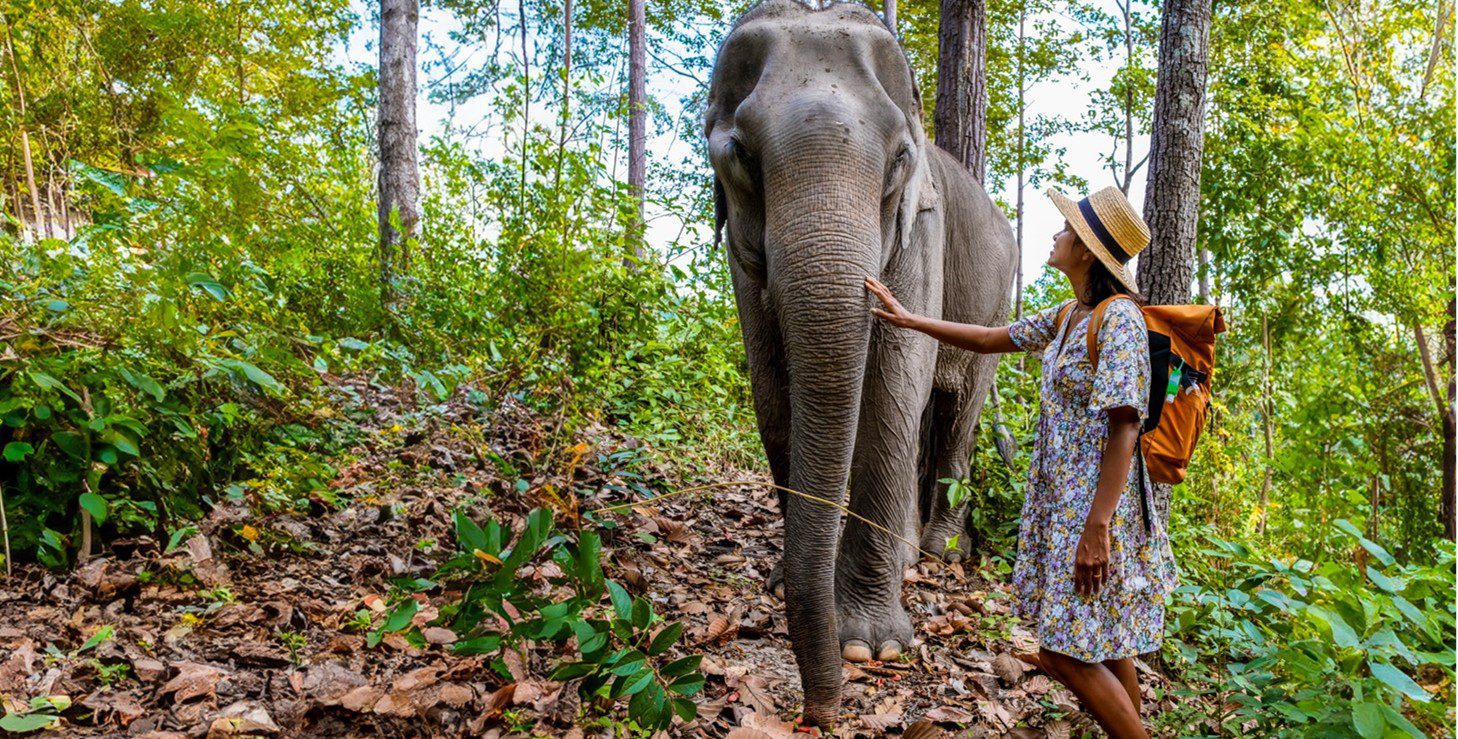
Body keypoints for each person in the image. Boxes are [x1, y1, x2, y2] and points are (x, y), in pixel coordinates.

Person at [864, 186, 1177, 739]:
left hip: (1095, 509)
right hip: (1064, 503)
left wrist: (1098, 527)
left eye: (1066, 229)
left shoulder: (1119, 320)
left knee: (1063, 653)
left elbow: (1126, 423)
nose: (1056, 235)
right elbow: (989, 338)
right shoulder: (1070, 315)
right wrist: (912, 321)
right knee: (1104, 637)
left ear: (1086, 249)